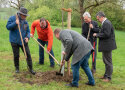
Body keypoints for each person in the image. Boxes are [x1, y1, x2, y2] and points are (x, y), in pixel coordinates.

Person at [6, 7, 36, 75]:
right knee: (16, 55)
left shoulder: (25, 21)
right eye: (24, 15)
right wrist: (15, 23)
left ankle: (31, 68)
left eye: (26, 15)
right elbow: (8, 27)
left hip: (23, 41)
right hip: (14, 41)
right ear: (20, 14)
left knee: (28, 54)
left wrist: (27, 37)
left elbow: (28, 31)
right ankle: (17, 68)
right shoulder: (13, 18)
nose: (25, 17)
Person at [93, 11, 117, 82]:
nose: (98, 20)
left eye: (98, 19)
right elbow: (104, 32)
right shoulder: (105, 23)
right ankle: (106, 75)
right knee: (105, 61)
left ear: (102, 17)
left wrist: (97, 35)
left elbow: (106, 34)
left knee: (108, 62)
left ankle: (108, 77)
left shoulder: (107, 23)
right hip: (106, 45)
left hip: (108, 46)